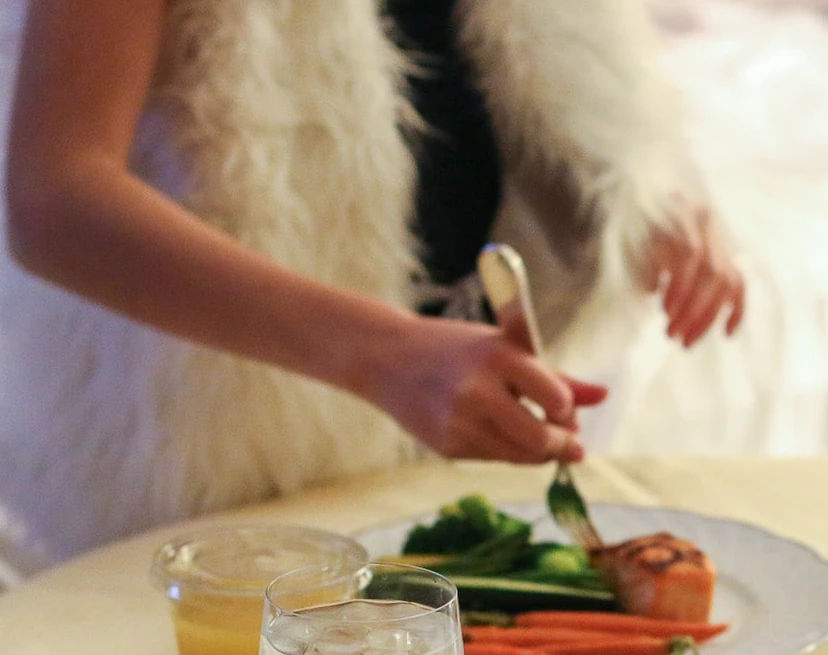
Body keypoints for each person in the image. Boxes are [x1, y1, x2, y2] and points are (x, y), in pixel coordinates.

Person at [0, 0, 744, 572]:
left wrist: (653, 194)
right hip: (217, 467)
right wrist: (385, 356)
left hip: (454, 440)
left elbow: (555, 75)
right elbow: (54, 198)